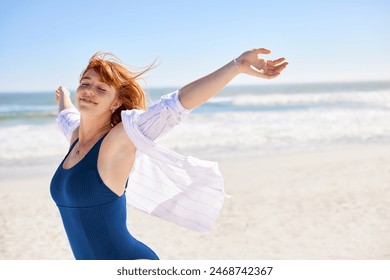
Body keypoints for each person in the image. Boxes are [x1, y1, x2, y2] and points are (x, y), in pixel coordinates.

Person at [50, 48, 288, 260]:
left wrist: (237, 66)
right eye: (85, 83)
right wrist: (65, 97)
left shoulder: (120, 139)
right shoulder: (75, 137)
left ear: (115, 103)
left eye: (101, 88)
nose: (89, 91)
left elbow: (175, 105)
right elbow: (66, 116)